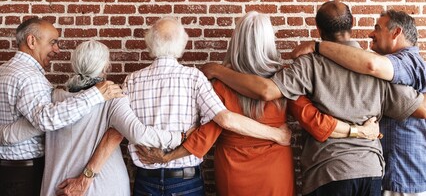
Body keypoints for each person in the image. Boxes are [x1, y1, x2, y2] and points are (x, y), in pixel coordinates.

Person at [136, 11, 380, 196]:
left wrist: (169, 156)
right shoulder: (284, 80)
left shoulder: (219, 82)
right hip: (275, 170)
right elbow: (312, 120)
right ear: (268, 41)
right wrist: (357, 131)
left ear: (236, 41)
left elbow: (206, 135)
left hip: (232, 170)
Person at [200, 1, 426, 196]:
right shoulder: (378, 70)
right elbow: (417, 107)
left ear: (318, 29)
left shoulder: (308, 65)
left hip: (327, 170)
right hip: (370, 170)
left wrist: (218, 71)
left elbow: (269, 91)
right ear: (352, 24)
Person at [124, 17, 293, 196]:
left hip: (151, 178)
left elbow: (126, 128)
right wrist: (277, 134)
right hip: (192, 179)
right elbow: (223, 120)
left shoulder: (132, 80)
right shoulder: (195, 78)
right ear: (182, 42)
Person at [291, 10, 426, 196]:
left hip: (402, 177)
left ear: (396, 33)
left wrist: (318, 47)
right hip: (386, 173)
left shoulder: (405, 62)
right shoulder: (390, 70)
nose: (370, 34)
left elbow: (371, 64)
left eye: (377, 28)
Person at [0, 18, 121, 196]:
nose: (57, 49)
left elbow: (33, 121)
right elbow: (45, 120)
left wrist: (6, 134)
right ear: (32, 41)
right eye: (53, 42)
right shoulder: (29, 77)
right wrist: (95, 94)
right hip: (24, 172)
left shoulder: (5, 70)